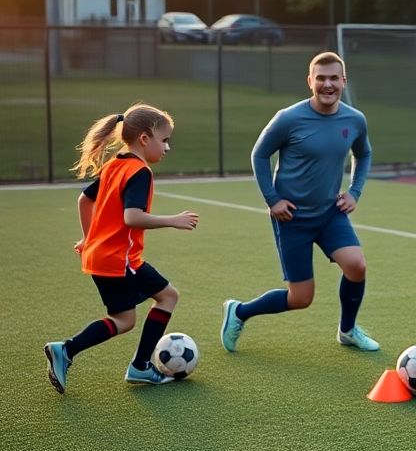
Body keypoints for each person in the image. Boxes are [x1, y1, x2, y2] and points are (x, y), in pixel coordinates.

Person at [221, 52, 379, 353]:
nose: (328, 84)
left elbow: (364, 153)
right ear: (310, 81)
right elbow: (259, 154)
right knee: (301, 298)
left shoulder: (355, 119)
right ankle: (239, 311)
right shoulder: (288, 118)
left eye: (334, 78)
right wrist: (272, 200)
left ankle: (347, 331)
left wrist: (354, 191)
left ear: (344, 81)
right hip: (291, 218)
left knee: (356, 266)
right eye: (321, 78)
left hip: (330, 213)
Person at [43, 104, 199, 394]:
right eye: (164, 140)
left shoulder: (115, 164)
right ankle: (75, 352)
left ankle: (131, 364)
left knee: (149, 306)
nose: (167, 147)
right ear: (144, 138)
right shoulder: (140, 172)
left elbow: (84, 200)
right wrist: (172, 220)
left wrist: (88, 238)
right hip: (120, 260)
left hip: (104, 256)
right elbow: (132, 217)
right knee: (145, 309)